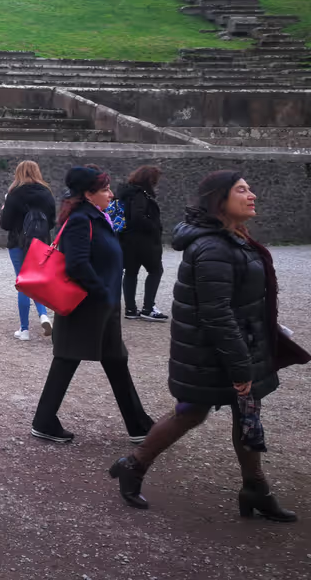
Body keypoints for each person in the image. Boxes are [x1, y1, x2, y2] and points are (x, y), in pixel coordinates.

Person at [109, 171, 298, 521]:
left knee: (246, 414)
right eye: (242, 190)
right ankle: (132, 465)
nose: (252, 195)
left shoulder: (232, 238)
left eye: (250, 188)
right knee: (191, 412)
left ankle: (255, 488)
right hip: (212, 353)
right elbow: (216, 314)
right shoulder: (213, 247)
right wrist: (241, 366)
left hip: (235, 345)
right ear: (219, 201)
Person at [31, 166, 153, 444]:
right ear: (88, 194)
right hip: (87, 305)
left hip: (101, 305)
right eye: (105, 190)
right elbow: (76, 265)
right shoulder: (80, 219)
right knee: (67, 359)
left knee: (115, 361)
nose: (111, 194)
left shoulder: (96, 216)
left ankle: (138, 424)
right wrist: (102, 294)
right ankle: (44, 421)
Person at [0, 161, 56, 340]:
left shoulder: (14, 194)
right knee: (36, 281)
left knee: (23, 284)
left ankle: (24, 330)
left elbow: (5, 224)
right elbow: (52, 221)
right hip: (41, 243)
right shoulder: (47, 193)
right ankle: (43, 314)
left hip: (18, 242)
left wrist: (4, 210)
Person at [116, 166, 166, 321]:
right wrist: (154, 227)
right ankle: (148, 307)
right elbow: (138, 217)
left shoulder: (126, 193)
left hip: (127, 240)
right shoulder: (140, 195)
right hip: (144, 242)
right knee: (156, 271)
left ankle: (130, 309)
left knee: (131, 273)